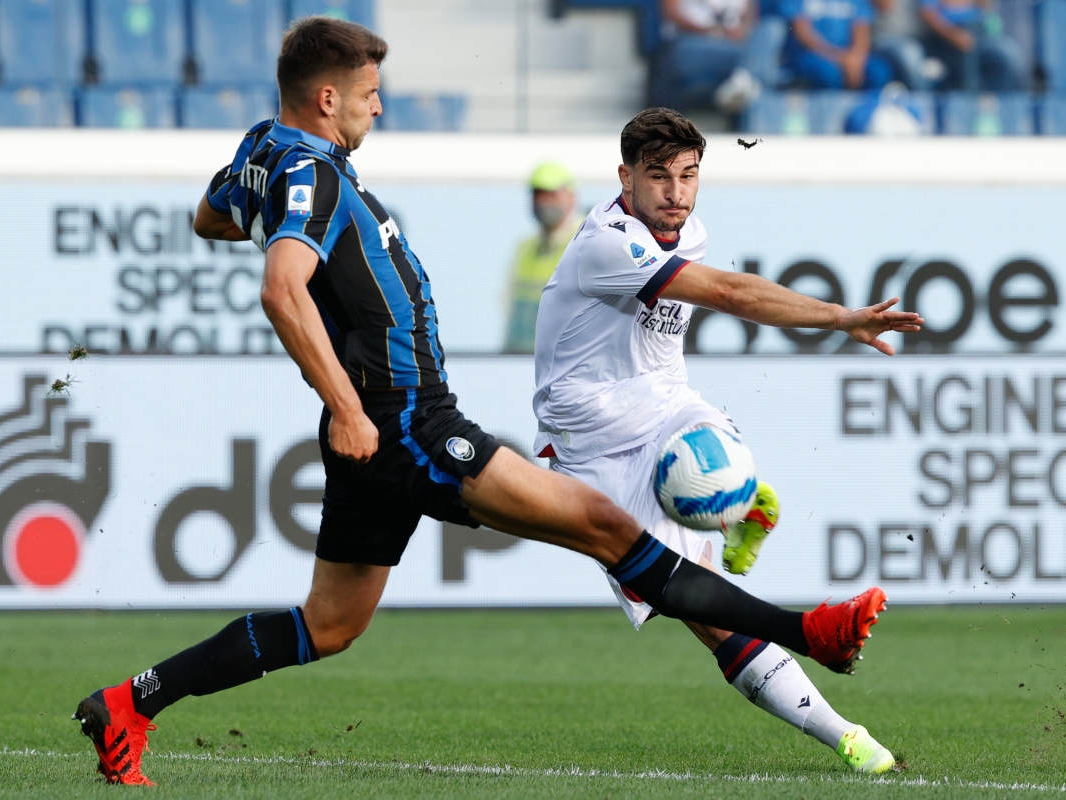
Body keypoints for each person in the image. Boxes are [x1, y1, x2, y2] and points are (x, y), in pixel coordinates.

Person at [70, 19, 905, 786]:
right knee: (610, 529)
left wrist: (270, 226)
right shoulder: (309, 175)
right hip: (404, 421)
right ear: (327, 101)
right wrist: (349, 405)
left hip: (376, 430)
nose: (378, 106)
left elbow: (210, 216)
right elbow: (282, 292)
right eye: (366, 95)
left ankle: (130, 702)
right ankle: (808, 633)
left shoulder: (266, 151)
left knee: (329, 625)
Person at [532, 107, 924, 773]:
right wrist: (837, 316)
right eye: (659, 177)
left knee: (708, 472)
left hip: (664, 404)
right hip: (591, 433)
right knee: (697, 605)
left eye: (689, 176)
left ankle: (738, 503)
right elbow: (728, 293)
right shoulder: (606, 242)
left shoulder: (690, 230)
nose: (677, 193)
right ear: (624, 177)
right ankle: (840, 725)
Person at [502, 163, 581, 354]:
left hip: (568, 364)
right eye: (538, 195)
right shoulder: (524, 248)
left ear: (571, 197)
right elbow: (512, 311)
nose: (543, 202)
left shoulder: (584, 243)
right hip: (523, 360)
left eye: (551, 195)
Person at [657, 0, 786, 114]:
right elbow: (671, 13)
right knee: (765, 68)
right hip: (690, 44)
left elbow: (750, 24)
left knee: (773, 26)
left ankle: (742, 82)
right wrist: (716, 32)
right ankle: (745, 81)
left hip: (733, 49)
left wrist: (740, 33)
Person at [780, 0, 894, 90]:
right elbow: (802, 33)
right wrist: (839, 58)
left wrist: (856, 59)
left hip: (847, 56)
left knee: (879, 72)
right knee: (829, 74)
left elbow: (861, 28)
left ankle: (866, 115)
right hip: (810, 54)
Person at [919, 0, 1023, 91]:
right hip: (945, 37)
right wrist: (954, 35)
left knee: (1006, 56)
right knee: (968, 63)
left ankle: (998, 105)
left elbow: (986, 10)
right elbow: (927, 13)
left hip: (978, 31)